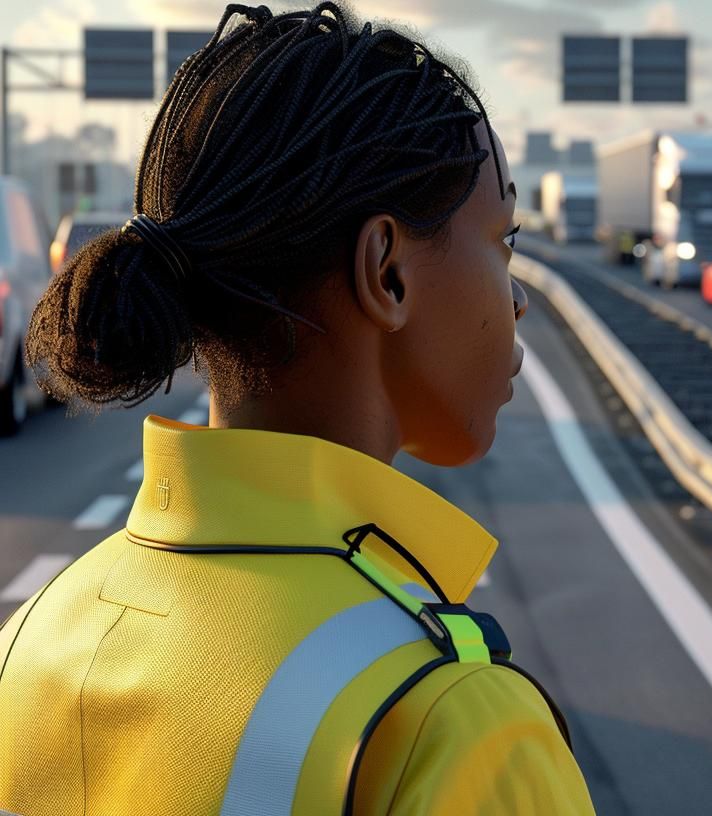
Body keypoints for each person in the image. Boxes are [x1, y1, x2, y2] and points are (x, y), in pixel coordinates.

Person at [0, 4, 594, 813]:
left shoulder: (28, 640)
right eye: (504, 242)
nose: (517, 297)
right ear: (386, 272)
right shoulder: (449, 725)